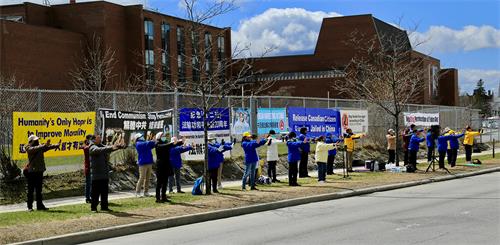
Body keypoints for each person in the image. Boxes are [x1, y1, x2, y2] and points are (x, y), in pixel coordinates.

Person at [89, 134, 125, 212]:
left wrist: (119, 146)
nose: (100, 139)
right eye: (98, 138)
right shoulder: (92, 147)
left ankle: (104, 207)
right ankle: (93, 207)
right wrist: (112, 147)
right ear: (94, 139)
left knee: (104, 192)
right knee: (95, 192)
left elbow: (108, 149)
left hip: (104, 174)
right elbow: (100, 150)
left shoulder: (102, 146)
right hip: (96, 175)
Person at [24, 135, 59, 211]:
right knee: (31, 190)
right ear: (31, 141)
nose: (37, 141)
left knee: (39, 190)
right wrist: (44, 145)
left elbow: (48, 147)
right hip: (31, 172)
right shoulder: (28, 147)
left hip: (39, 171)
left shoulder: (40, 147)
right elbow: (34, 149)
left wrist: (56, 145)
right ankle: (30, 207)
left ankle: (40, 206)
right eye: (35, 140)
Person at [154, 132, 174, 203]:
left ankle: (164, 196)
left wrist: (180, 142)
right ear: (159, 137)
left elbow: (171, 145)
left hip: (166, 164)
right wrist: (171, 143)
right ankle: (157, 198)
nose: (164, 137)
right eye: (162, 136)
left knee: (165, 182)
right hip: (160, 165)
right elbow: (165, 146)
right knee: (159, 182)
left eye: (164, 136)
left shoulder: (165, 143)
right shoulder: (157, 144)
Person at [134, 133, 156, 197]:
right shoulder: (138, 144)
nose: (142, 137)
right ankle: (137, 192)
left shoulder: (145, 142)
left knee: (147, 178)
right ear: (138, 138)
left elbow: (153, 145)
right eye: (141, 136)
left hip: (149, 162)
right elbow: (148, 143)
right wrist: (152, 140)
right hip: (142, 163)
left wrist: (154, 141)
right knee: (142, 178)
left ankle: (146, 192)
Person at [83, 135, 92, 203]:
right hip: (88, 168)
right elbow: (86, 148)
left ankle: (91, 197)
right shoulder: (86, 147)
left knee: (92, 184)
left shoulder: (91, 147)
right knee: (88, 183)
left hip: (92, 168)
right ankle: (87, 197)